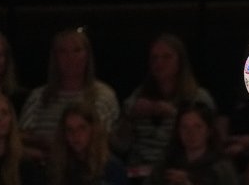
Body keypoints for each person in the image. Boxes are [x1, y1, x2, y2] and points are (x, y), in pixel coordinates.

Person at [116, 33, 217, 172]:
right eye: (154, 58)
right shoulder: (138, 96)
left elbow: (213, 145)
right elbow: (120, 145)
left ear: (180, 61)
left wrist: (174, 114)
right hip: (139, 171)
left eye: (166, 57)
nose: (159, 63)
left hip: (181, 170)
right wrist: (129, 117)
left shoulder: (198, 98)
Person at [19, 27, 121, 161]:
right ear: (55, 58)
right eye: (63, 52)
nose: (70, 58)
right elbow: (19, 137)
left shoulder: (104, 95)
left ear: (87, 56)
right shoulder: (38, 96)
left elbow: (110, 141)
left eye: (77, 51)